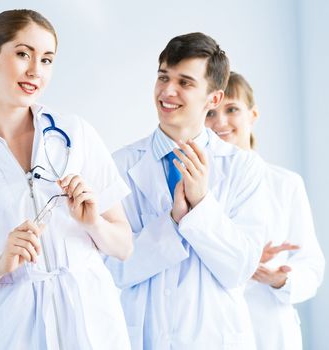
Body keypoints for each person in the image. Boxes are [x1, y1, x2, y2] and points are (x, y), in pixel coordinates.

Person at [0, 9, 133, 350]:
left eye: (47, 60)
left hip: (93, 317)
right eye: (23, 54)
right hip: (16, 326)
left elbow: (123, 246)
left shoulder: (75, 133)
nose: (36, 71)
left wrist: (94, 223)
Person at [106, 33, 268, 349]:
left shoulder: (243, 168)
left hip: (215, 337)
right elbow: (114, 269)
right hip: (144, 336)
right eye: (163, 77)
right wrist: (173, 221)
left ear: (214, 99)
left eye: (185, 82)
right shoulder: (120, 164)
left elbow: (241, 268)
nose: (168, 91)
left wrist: (202, 204)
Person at [205, 71, 325, 350]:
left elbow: (311, 267)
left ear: (253, 115)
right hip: (213, 330)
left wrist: (281, 279)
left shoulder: (286, 184)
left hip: (270, 332)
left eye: (231, 109)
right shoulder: (196, 188)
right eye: (210, 113)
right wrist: (242, 259)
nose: (220, 121)